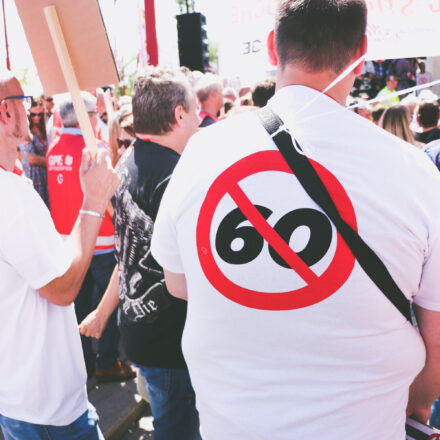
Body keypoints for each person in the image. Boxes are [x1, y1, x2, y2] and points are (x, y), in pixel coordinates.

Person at [150, 1, 440, 438]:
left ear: (272, 47)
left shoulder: (203, 154)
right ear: (362, 52)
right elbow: (436, 339)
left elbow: (179, 284)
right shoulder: (415, 172)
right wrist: (414, 404)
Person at [79, 67, 202, 440]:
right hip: (171, 342)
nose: (199, 119)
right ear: (179, 114)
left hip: (144, 335)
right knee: (180, 431)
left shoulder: (125, 164)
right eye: (195, 109)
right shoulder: (177, 177)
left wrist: (102, 313)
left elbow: (127, 253)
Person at [0, 74, 120, 439]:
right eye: (25, 100)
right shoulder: (10, 196)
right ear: (6, 111)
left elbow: (53, 264)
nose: (33, 110)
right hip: (47, 409)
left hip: (25, 398)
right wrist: (94, 203)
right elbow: (63, 287)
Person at [46, 92, 135, 382]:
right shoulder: (94, 150)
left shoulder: (53, 149)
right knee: (107, 306)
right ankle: (106, 362)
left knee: (79, 306)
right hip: (103, 239)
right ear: (88, 117)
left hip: (71, 243)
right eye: (94, 113)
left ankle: (83, 363)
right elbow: (108, 192)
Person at [19, 96, 50, 207]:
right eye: (33, 115)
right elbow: (31, 158)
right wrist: (51, 162)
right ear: (28, 114)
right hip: (34, 177)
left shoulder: (44, 129)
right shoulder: (25, 131)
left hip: (46, 176)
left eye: (40, 114)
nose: (36, 118)